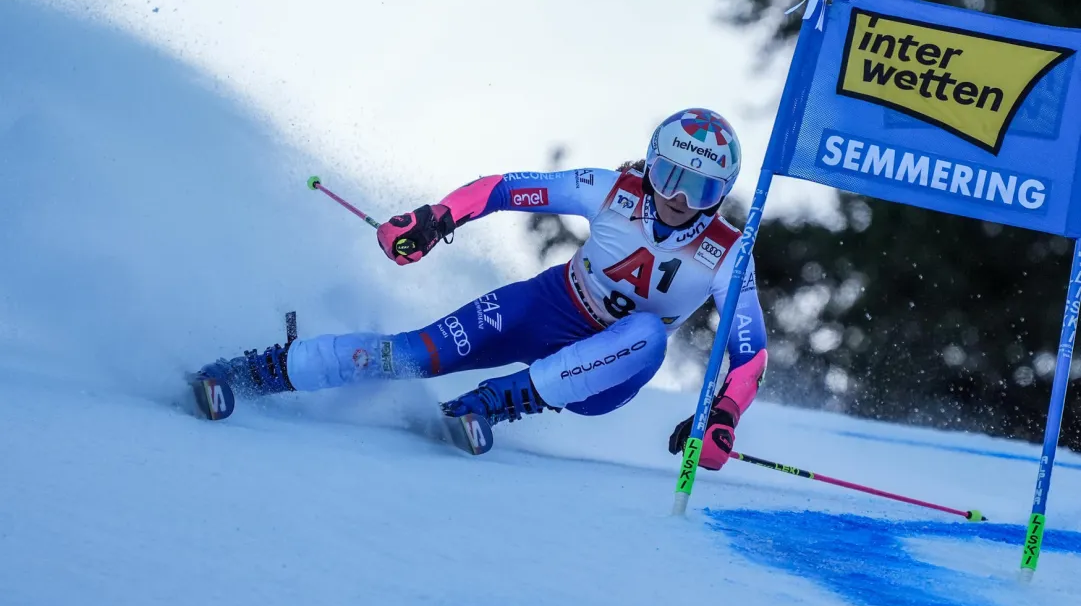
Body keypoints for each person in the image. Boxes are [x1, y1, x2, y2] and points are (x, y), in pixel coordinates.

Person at [196, 108, 768, 471]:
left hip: (608, 371)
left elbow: (751, 353)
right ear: (651, 165)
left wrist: (721, 417)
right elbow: (504, 189)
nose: (677, 199)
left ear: (722, 192)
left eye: (700, 188)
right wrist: (436, 217)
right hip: (548, 305)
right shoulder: (611, 189)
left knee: (647, 333)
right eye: (668, 176)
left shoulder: (728, 252)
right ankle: (259, 371)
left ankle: (494, 402)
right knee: (415, 353)